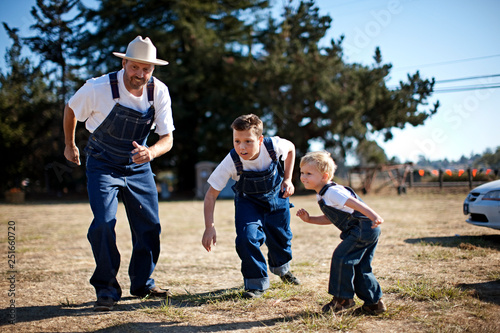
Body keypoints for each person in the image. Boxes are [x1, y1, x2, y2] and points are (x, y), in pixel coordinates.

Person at [63, 36, 174, 311]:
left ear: (153, 69)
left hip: (138, 165)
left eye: (146, 69)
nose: (140, 74)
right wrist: (70, 144)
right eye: (135, 67)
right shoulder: (97, 87)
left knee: (149, 225)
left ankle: (142, 284)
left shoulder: (158, 91)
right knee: (103, 223)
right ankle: (106, 289)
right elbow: (71, 109)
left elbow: (167, 138)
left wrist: (151, 153)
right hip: (102, 162)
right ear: (124, 62)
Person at [202, 114, 300, 298]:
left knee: (282, 238)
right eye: (237, 141)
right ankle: (256, 284)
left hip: (277, 199)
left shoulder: (273, 146)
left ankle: (282, 269)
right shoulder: (231, 161)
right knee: (247, 238)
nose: (241, 147)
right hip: (249, 203)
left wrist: (288, 179)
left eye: (248, 141)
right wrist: (209, 227)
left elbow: (292, 149)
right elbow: (210, 195)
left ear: (260, 139)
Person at [296, 151, 386, 314]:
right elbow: (330, 218)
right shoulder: (322, 194)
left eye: (309, 173)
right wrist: (309, 219)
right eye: (302, 172)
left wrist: (374, 216)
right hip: (367, 230)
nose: (303, 176)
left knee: (341, 257)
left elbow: (355, 203)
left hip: (363, 228)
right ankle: (374, 303)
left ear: (324, 176)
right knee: (360, 266)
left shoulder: (332, 192)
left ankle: (343, 299)